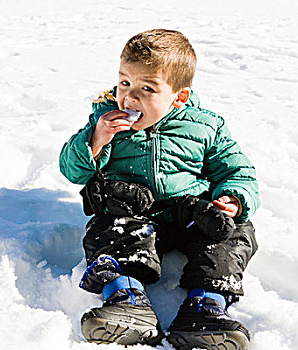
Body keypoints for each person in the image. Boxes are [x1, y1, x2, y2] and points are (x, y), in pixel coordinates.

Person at [59, 29, 259, 350]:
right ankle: (126, 299)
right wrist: (96, 139)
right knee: (111, 228)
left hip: (189, 214)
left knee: (232, 232)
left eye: (147, 88)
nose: (130, 97)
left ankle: (206, 307)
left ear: (178, 96)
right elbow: (72, 168)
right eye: (125, 83)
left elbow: (238, 170)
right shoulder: (106, 120)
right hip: (134, 212)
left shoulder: (205, 126)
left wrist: (232, 200)